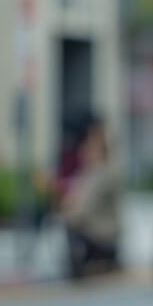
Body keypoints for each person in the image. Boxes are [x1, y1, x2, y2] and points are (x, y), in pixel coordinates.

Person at [59, 113, 123, 279]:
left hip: (103, 232)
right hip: (100, 229)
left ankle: (78, 267)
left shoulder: (101, 174)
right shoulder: (88, 173)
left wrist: (67, 213)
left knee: (71, 224)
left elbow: (83, 207)